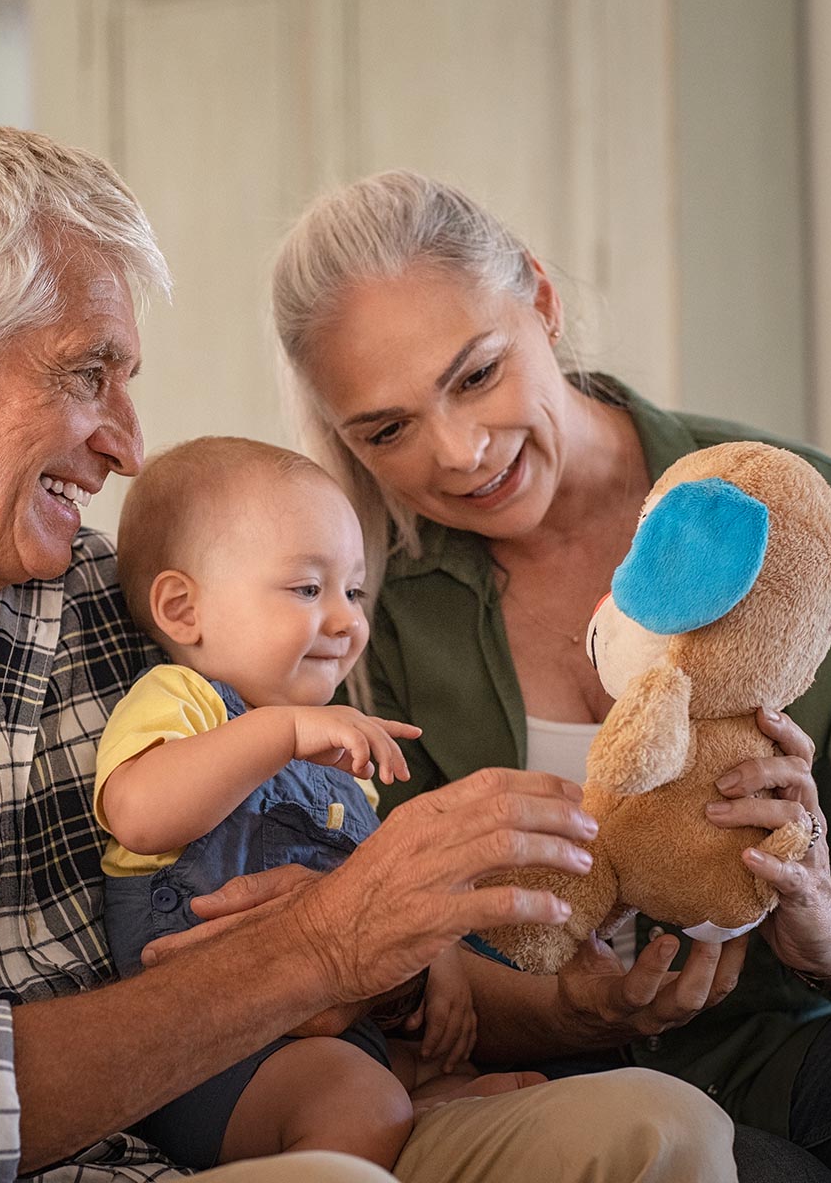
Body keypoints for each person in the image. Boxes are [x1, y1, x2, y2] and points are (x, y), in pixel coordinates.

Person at [0, 125, 738, 1182]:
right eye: (90, 373)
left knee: (657, 1128)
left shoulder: (136, 599)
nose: (129, 446)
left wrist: (413, 981)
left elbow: (329, 908)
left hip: (249, 1122)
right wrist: (311, 950)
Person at [271, 166, 831, 1182]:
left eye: (475, 375)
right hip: (564, 1099)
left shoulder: (813, 520)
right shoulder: (353, 617)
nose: (461, 453)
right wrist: (568, 1011)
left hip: (805, 1044)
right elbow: (400, 957)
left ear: (543, 305)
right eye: (387, 430)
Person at [98, 435, 496, 1171]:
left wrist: (434, 957)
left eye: (354, 592)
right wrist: (277, 732)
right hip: (210, 1056)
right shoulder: (182, 700)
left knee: (487, 1087)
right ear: (184, 609)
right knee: (361, 1103)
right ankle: (389, 1116)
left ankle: (415, 1104)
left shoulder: (341, 766)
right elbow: (139, 813)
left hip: (333, 1042)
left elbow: (378, 899)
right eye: (309, 590)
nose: (347, 622)